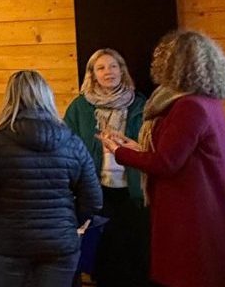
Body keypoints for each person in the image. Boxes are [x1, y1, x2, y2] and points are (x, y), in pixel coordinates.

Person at [99, 30, 225, 287]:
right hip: (200, 205)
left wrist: (119, 152)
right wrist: (138, 148)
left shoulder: (189, 106)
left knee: (187, 277)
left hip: (187, 211)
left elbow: (166, 163)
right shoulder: (208, 102)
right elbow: (176, 154)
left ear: (174, 64)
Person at [0, 70, 102, 287]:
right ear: (47, 97)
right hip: (60, 244)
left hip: (10, 243)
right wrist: (67, 222)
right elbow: (94, 199)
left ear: (9, 99)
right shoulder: (72, 141)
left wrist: (2, 221)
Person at [63, 48, 148, 286]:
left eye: (113, 66)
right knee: (103, 258)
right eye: (101, 68)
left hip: (133, 191)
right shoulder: (80, 107)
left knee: (133, 256)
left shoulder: (140, 105)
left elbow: (152, 145)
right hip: (96, 191)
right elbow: (66, 145)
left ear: (122, 70)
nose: (108, 72)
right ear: (92, 74)